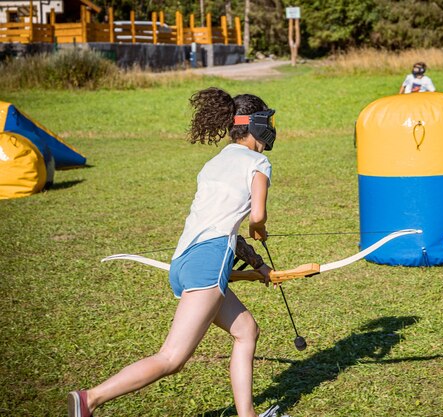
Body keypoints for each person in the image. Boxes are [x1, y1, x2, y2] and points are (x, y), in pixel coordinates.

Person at [68, 87, 284, 417]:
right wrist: (259, 227)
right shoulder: (259, 161)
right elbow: (256, 216)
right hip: (207, 263)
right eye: (267, 120)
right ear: (256, 125)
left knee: (246, 331)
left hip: (184, 262)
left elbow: (222, 226)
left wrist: (257, 263)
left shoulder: (214, 163)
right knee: (171, 358)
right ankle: (89, 399)